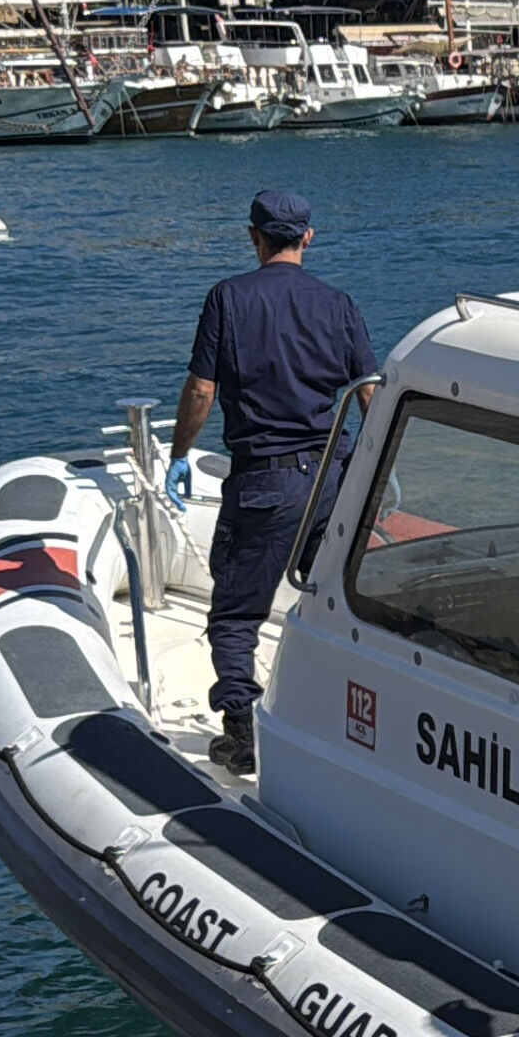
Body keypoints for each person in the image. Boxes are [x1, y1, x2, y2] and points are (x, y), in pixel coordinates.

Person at [167, 189, 376, 777]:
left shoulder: (227, 300)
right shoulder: (339, 305)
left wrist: (180, 453)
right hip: (331, 478)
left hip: (264, 482)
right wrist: (379, 474)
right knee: (326, 601)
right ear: (309, 238)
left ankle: (244, 731)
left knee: (236, 617)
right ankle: (328, 718)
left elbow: (202, 391)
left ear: (252, 236)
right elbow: (368, 394)